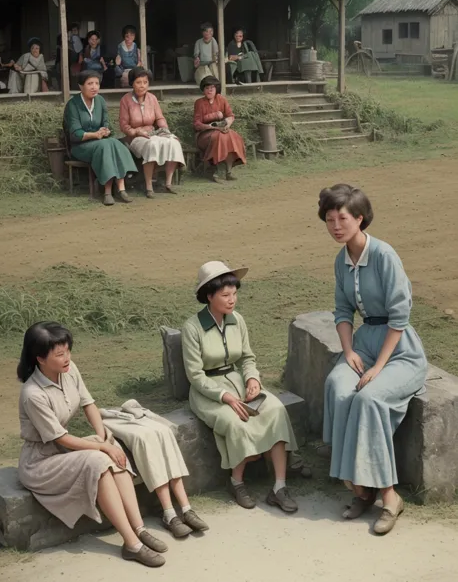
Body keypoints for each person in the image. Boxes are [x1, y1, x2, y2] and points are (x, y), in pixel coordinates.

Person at [318, 183, 427, 535]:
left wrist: (378, 369)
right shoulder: (341, 260)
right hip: (364, 344)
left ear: (360, 218)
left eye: (343, 218)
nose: (336, 225)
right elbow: (342, 310)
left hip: (400, 352)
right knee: (337, 385)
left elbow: (399, 317)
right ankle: (357, 484)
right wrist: (349, 351)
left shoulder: (383, 255)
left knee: (369, 398)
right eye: (330, 219)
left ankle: (389, 495)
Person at [17, 322, 166, 567]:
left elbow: (88, 403)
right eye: (60, 354)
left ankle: (139, 529)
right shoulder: (33, 394)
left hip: (63, 451)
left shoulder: (69, 369)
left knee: (112, 449)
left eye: (68, 351)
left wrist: (103, 435)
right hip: (40, 462)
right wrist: (103, 447)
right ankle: (131, 544)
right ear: (40, 359)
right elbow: (59, 438)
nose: (67, 358)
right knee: (99, 458)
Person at [182, 261, 298, 513]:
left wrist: (252, 379)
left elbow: (247, 357)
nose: (232, 299)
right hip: (208, 392)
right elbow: (194, 374)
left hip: (238, 383)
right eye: (225, 295)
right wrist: (226, 397)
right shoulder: (192, 328)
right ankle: (236, 482)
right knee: (235, 420)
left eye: (234, 293)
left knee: (275, 409)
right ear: (209, 295)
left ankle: (279, 486)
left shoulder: (238, 321)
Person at [100, 401, 209, 539]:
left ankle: (187, 509)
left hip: (137, 420)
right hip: (126, 427)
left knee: (164, 432)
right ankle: (169, 515)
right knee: (145, 441)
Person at [63, 70, 137, 206]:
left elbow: (106, 123)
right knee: (105, 145)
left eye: (96, 83)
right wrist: (94, 135)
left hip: (101, 142)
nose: (94, 87)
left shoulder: (100, 100)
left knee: (114, 142)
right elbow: (74, 133)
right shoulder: (73, 104)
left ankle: (121, 189)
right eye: (90, 83)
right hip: (80, 146)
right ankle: (107, 192)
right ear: (81, 86)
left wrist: (105, 130)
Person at [119, 67, 185, 198]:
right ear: (132, 83)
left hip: (153, 133)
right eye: (138, 82)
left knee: (173, 142)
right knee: (152, 145)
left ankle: (168, 183)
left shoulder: (152, 98)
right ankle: (149, 186)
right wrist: (136, 131)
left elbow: (160, 118)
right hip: (135, 137)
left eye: (145, 82)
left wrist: (165, 130)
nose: (142, 86)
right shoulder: (125, 100)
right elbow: (124, 126)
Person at [193, 76, 246, 182]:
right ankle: (213, 170)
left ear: (216, 89)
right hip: (204, 134)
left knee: (232, 136)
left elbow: (230, 115)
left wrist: (227, 125)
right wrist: (212, 127)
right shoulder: (199, 103)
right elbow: (197, 124)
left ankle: (228, 171)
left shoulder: (222, 99)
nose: (210, 90)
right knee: (219, 137)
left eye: (212, 87)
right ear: (203, 90)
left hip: (221, 130)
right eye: (207, 88)